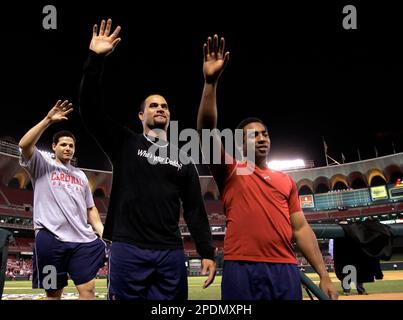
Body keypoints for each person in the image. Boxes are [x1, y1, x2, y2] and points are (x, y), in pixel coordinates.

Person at [79, 19, 216, 300]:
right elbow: (90, 109)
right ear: (141, 116)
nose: (160, 108)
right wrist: (95, 59)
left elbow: (194, 209)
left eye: (164, 105)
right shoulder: (125, 144)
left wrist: (206, 251)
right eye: (153, 105)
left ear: (170, 116)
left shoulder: (183, 159)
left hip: (170, 251)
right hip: (128, 248)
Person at [197, 35, 338, 300]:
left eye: (265, 134)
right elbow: (206, 132)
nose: (262, 138)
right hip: (241, 266)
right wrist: (210, 83)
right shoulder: (229, 170)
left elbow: (301, 229)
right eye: (254, 135)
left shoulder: (286, 181)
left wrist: (324, 274)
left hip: (285, 268)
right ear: (240, 143)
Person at [18, 100, 106, 300]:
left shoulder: (81, 175)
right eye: (63, 145)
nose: (68, 148)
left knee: (88, 291)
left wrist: (100, 229)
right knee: (53, 293)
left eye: (71, 146)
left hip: (81, 241)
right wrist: (48, 120)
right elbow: (24, 145)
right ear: (53, 147)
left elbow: (90, 207)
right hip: (50, 240)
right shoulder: (42, 164)